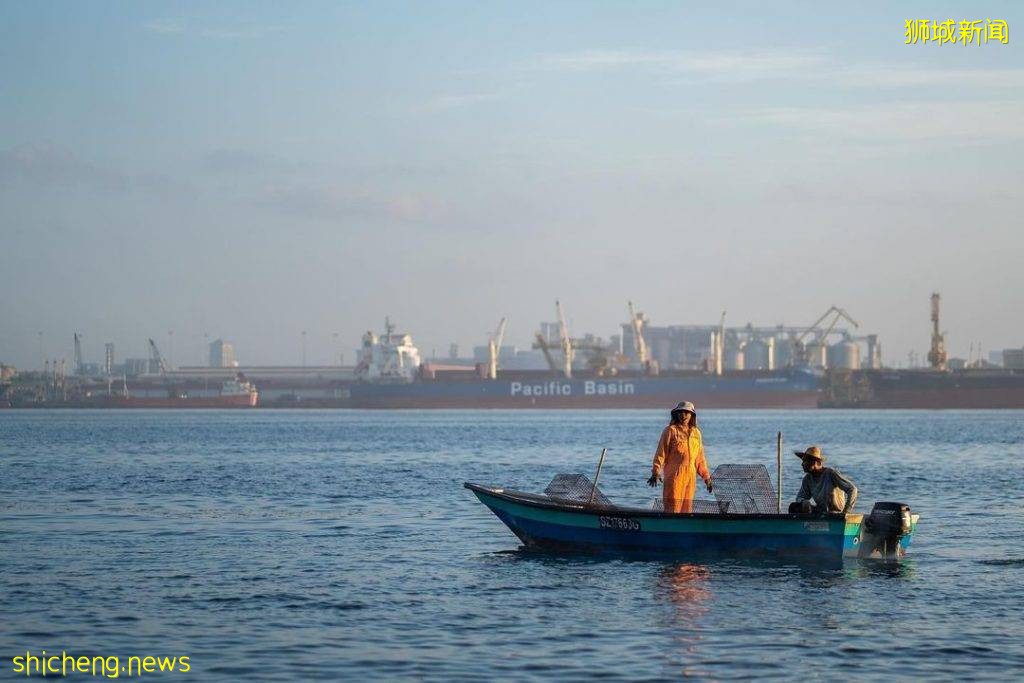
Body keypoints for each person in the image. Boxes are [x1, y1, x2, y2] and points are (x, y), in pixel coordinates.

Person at [647, 401, 713, 513]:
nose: (683, 415)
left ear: (692, 415)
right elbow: (661, 453)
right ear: (676, 414)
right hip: (674, 476)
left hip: (690, 477)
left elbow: (700, 460)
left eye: (686, 412)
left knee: (687, 509)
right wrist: (655, 472)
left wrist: (707, 478)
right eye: (680, 412)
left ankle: (684, 529)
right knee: (672, 508)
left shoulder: (696, 433)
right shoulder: (670, 431)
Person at [790, 446, 858, 514]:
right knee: (794, 507)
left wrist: (846, 512)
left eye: (805, 461)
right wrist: (804, 502)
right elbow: (800, 497)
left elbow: (852, 489)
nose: (802, 464)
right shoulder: (807, 479)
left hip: (835, 513)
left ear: (815, 462)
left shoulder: (830, 473)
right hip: (821, 512)